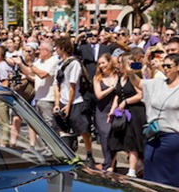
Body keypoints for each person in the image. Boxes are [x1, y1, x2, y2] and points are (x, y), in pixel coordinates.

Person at [137, 53, 179, 188]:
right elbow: (139, 84)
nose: (165, 68)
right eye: (163, 65)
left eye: (168, 66)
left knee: (171, 167)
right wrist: (129, 73)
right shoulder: (158, 83)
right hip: (154, 133)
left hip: (175, 134)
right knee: (150, 160)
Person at [53, 36, 96, 166]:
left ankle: (89, 155)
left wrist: (68, 105)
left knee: (83, 130)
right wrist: (57, 104)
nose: (55, 50)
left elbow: (73, 86)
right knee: (58, 128)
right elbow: (56, 85)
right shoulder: (59, 64)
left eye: (57, 47)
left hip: (75, 102)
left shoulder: (75, 63)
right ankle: (68, 152)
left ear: (62, 48)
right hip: (62, 101)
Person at [106, 54, 146, 176]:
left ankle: (132, 170)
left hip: (134, 111)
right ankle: (110, 166)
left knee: (132, 140)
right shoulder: (119, 77)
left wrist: (126, 102)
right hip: (121, 112)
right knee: (113, 139)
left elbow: (140, 95)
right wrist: (112, 110)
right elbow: (117, 95)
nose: (118, 65)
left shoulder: (136, 76)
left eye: (120, 63)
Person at [93, 54, 120, 169]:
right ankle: (108, 162)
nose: (101, 66)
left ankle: (111, 164)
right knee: (104, 135)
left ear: (109, 62)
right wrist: (112, 88)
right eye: (99, 64)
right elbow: (99, 95)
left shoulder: (117, 75)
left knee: (113, 136)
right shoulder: (97, 78)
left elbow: (118, 95)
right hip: (101, 110)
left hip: (114, 108)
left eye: (103, 63)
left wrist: (113, 109)